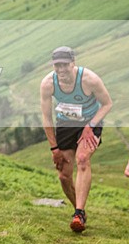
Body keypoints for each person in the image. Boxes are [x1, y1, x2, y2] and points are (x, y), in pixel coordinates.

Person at [39, 46, 113, 233]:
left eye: (65, 64)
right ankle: (78, 210)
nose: (61, 69)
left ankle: (78, 213)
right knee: (64, 175)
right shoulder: (48, 83)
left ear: (73, 63)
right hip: (65, 123)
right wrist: (54, 148)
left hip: (90, 121)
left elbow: (107, 104)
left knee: (82, 160)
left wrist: (91, 125)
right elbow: (47, 118)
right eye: (57, 66)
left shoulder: (90, 79)